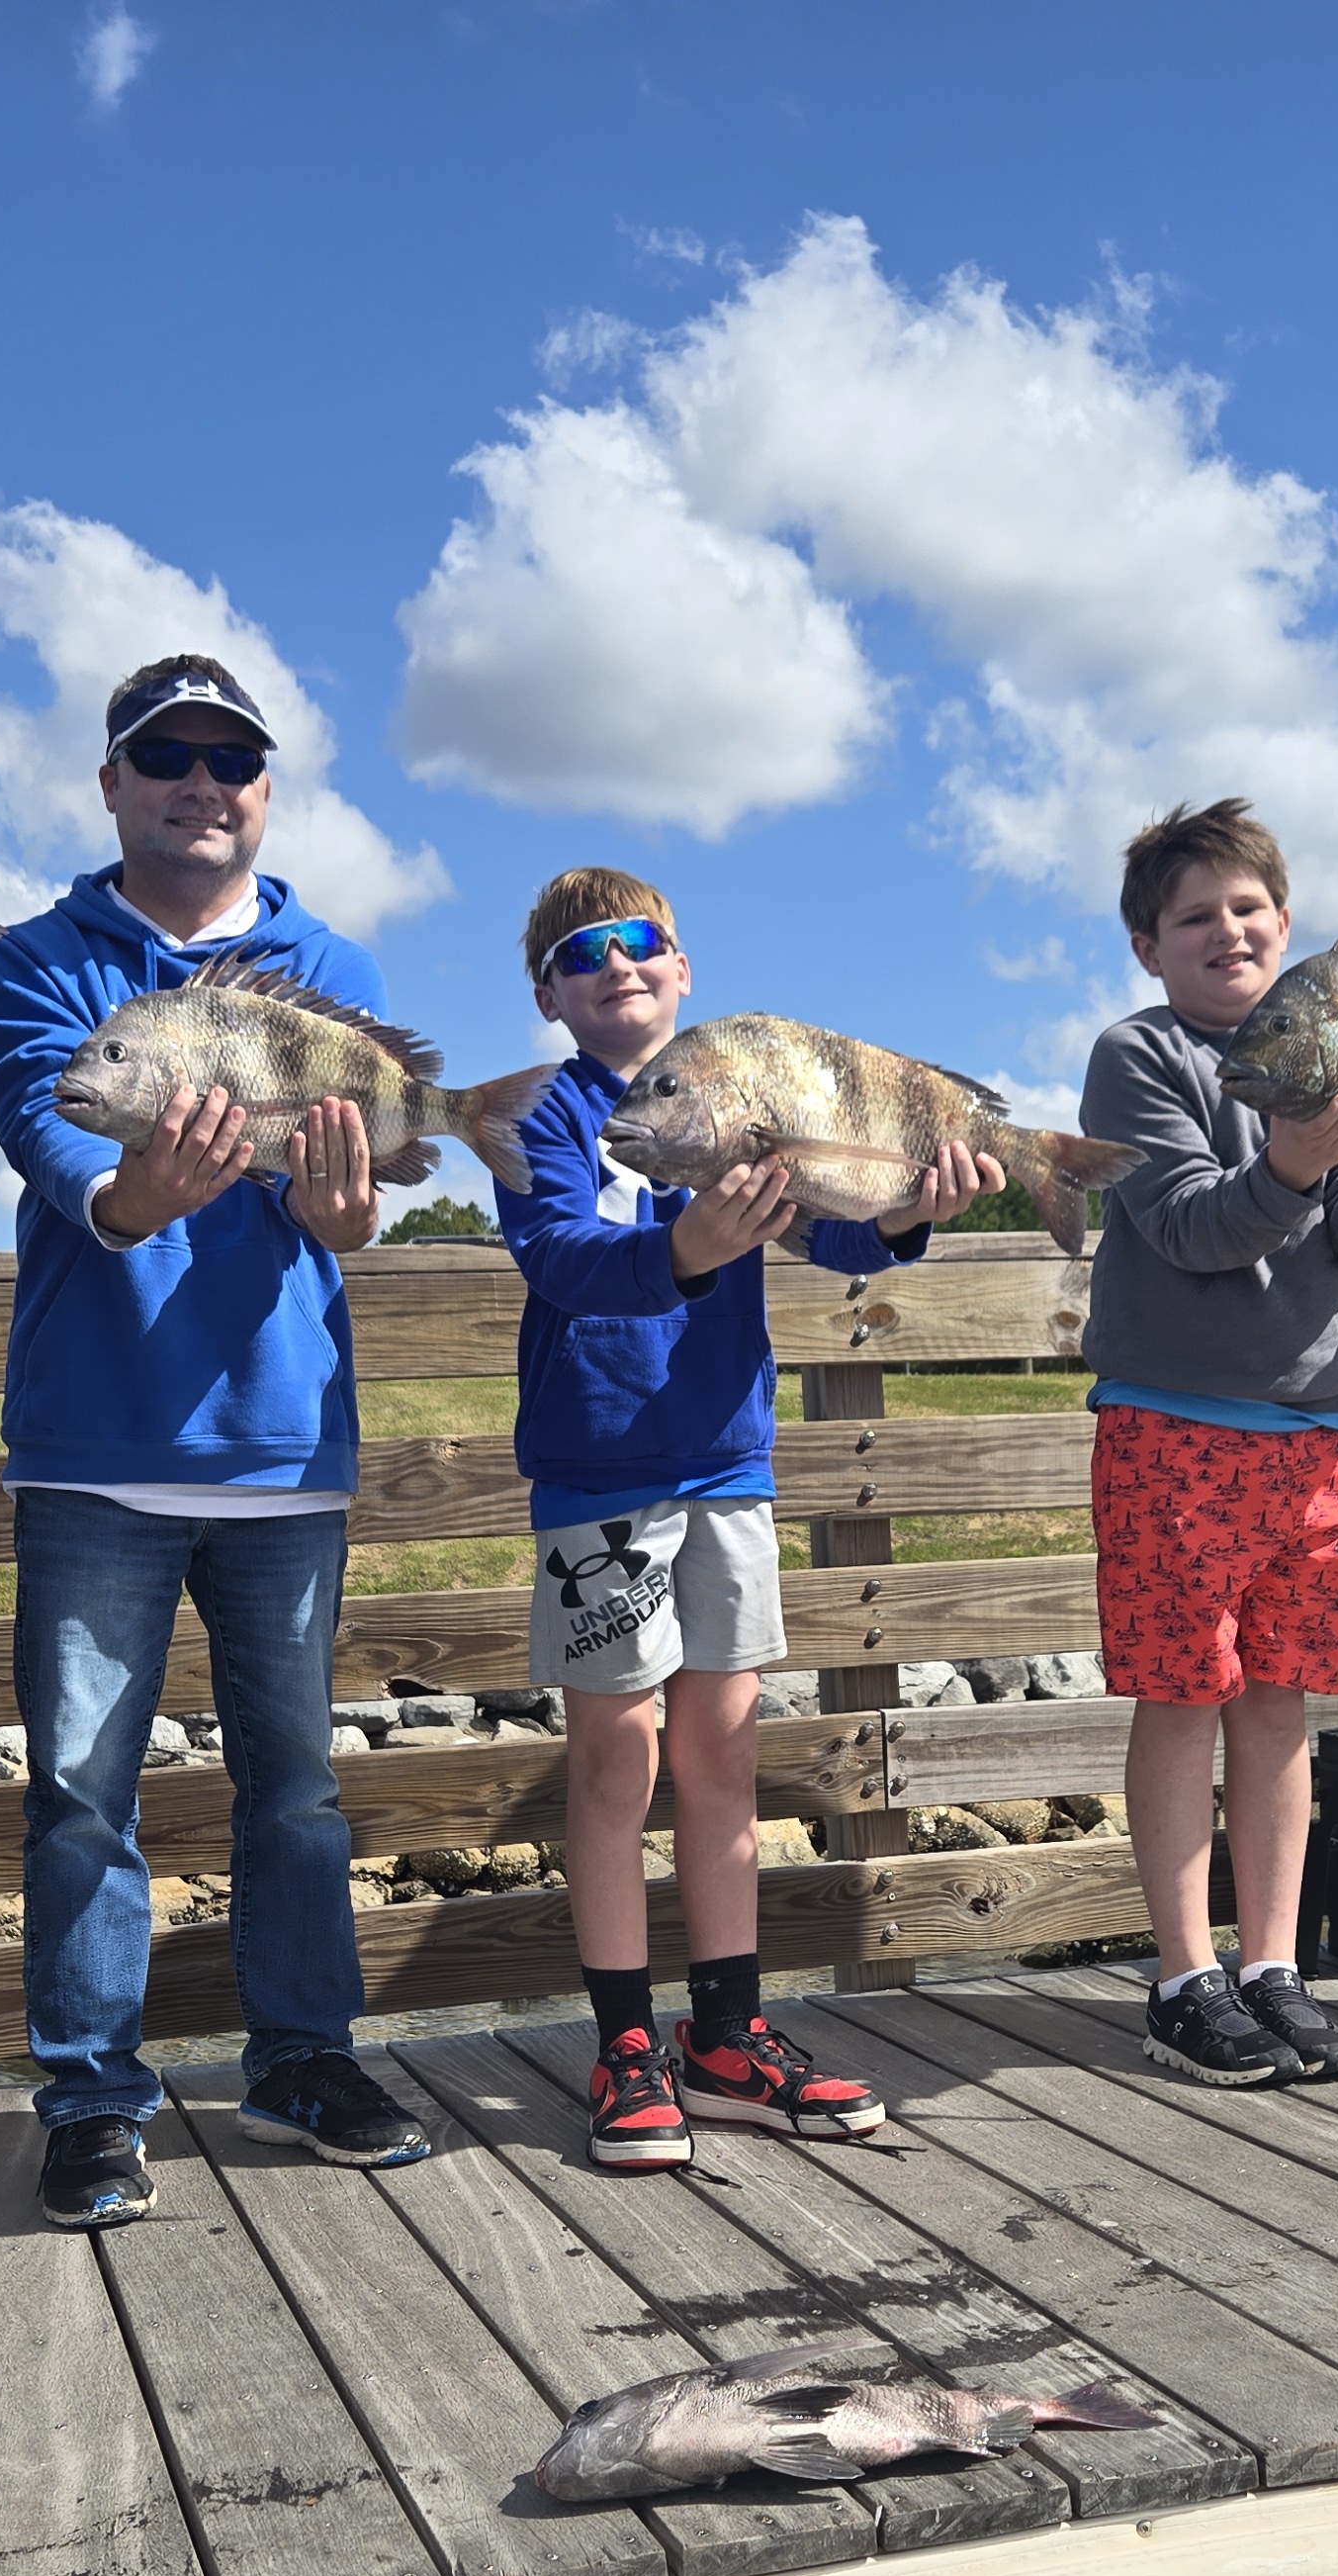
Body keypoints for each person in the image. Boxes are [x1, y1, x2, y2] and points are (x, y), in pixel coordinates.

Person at [0, 653, 429, 2228]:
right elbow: (57, 1152)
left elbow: (356, 1191)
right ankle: (94, 2094)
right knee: (82, 1793)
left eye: (230, 757)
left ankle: (303, 2057)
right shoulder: (37, 963)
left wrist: (349, 1215)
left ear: (265, 789)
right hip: (96, 1450)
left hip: (284, 1451)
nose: (199, 781)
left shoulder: (332, 959)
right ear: (110, 782)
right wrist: (132, 1200)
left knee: (294, 1787)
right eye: (163, 754)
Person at [498, 870, 1001, 2168]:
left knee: (724, 1757)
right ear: (548, 992)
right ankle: (622, 2045)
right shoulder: (540, 1119)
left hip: (728, 1473)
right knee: (616, 1766)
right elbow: (559, 1256)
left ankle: (727, 2036)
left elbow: (841, 1242)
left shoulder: (745, 1098)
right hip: (597, 1483)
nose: (616, 963)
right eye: (580, 951)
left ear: (682, 964)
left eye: (641, 941)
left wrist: (907, 1207)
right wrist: (688, 1249)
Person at [1081, 800, 1338, 2088]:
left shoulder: (1337, 1049)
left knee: (1280, 1706)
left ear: (1285, 922)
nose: (1228, 932)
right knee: (1182, 1697)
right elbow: (1199, 1227)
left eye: (1249, 909)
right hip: (1171, 1431)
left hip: (1318, 1436)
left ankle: (1271, 1966)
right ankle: (1180, 1978)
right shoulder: (1137, 1058)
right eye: (1195, 917)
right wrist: (1293, 1162)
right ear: (1150, 947)